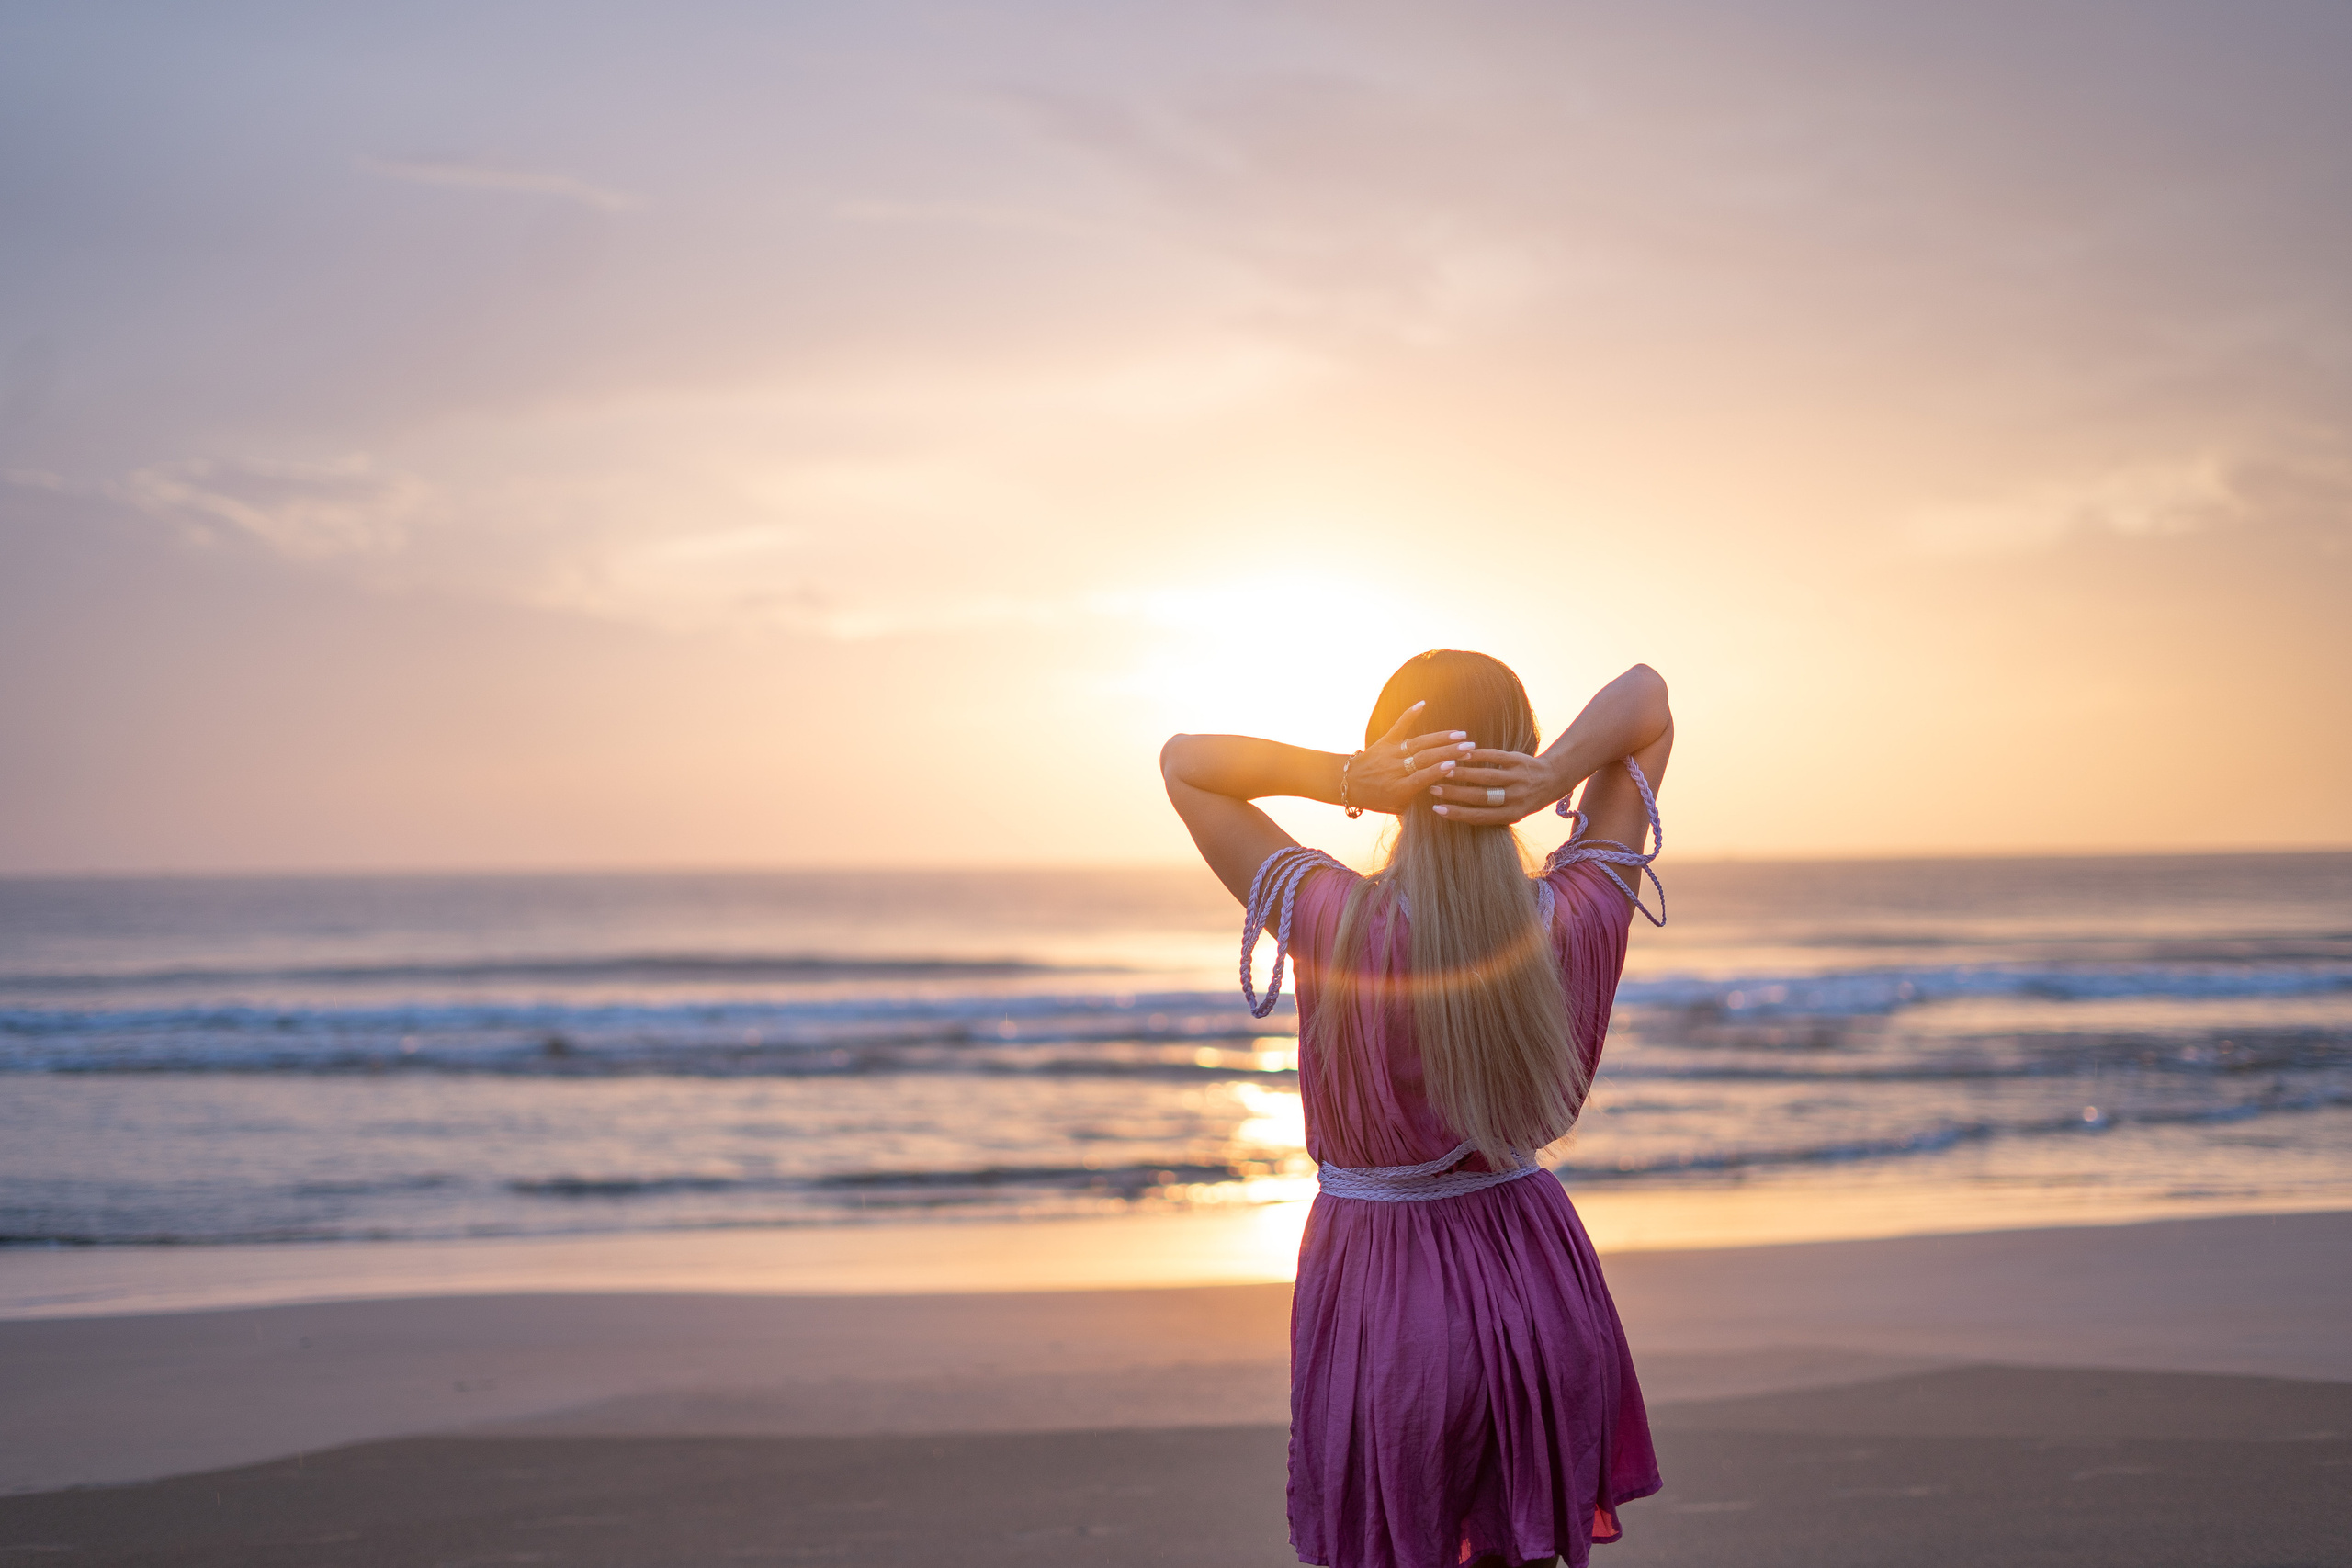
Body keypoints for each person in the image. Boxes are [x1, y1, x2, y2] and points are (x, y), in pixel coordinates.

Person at [1159, 650, 1673, 1568]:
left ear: (1390, 762)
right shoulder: (1577, 912)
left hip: (1387, 1299)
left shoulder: (1333, 919)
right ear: (1519, 755)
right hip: (1538, 1284)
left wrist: (1348, 780)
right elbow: (1647, 699)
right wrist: (1548, 777)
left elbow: (1185, 764)